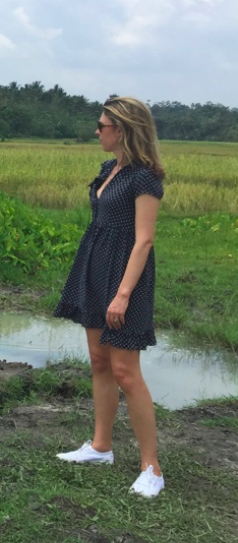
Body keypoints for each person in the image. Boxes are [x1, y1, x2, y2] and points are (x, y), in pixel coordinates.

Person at [54, 96, 166, 498]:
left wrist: (122, 295)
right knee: (100, 361)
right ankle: (101, 446)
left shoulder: (144, 177)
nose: (97, 131)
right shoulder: (109, 169)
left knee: (126, 372)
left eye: (102, 125)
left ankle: (151, 468)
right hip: (96, 265)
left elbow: (144, 240)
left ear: (122, 129)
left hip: (126, 276)